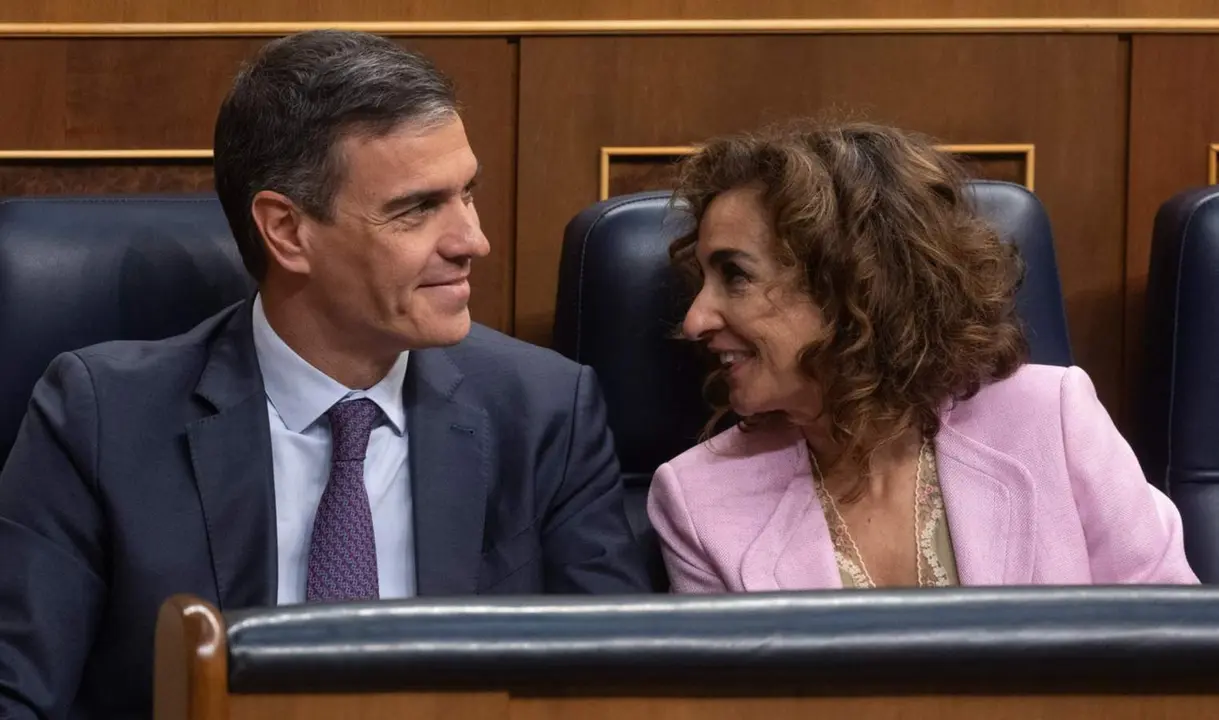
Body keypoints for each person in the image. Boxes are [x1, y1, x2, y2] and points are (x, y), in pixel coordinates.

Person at [0, 30, 648, 719]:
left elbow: (618, 693)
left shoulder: (545, 411)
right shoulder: (103, 419)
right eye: (417, 208)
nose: (472, 240)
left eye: (468, 194)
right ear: (286, 231)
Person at [647, 121, 1198, 593]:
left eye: (736, 275)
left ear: (854, 283)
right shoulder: (698, 502)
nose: (695, 320)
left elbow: (1172, 649)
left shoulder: (1053, 420)